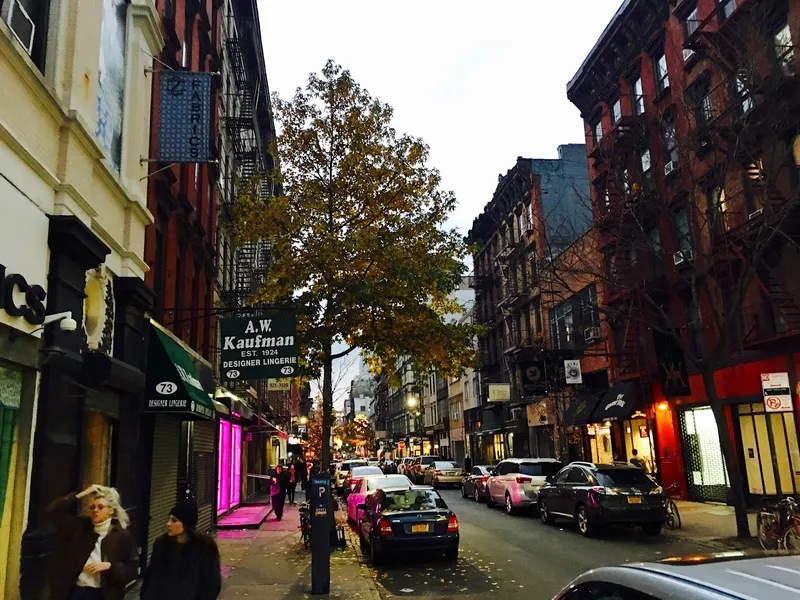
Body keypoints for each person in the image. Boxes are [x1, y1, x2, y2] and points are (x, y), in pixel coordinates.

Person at [45, 484, 138, 600]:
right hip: (75, 591)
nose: (95, 511)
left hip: (103, 594)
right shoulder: (80, 528)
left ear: (111, 510)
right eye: (92, 507)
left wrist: (110, 566)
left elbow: (133, 570)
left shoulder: (121, 536)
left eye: (100, 507)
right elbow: (53, 512)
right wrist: (82, 494)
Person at [141, 498, 221, 600]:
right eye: (169, 519)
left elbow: (211, 584)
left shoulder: (205, 547)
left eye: (174, 520)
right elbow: (151, 577)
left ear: (186, 523)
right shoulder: (161, 544)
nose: (168, 524)